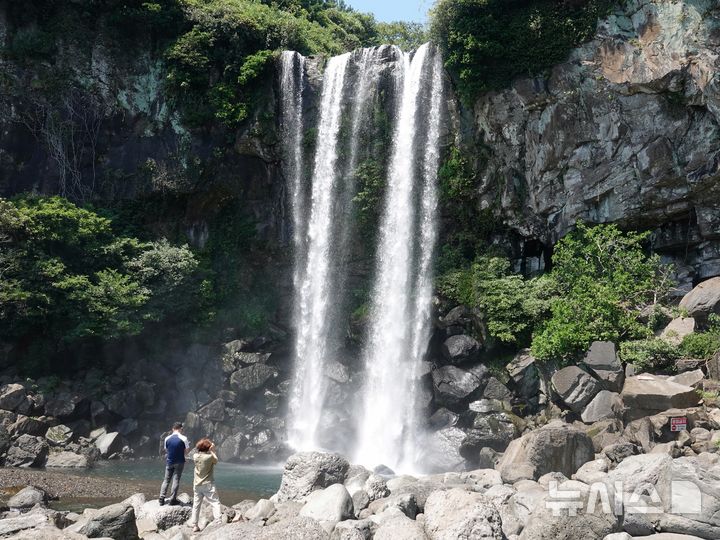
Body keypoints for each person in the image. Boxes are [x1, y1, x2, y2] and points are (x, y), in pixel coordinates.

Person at [189, 438, 221, 532]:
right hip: (208, 484)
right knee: (215, 502)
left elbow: (199, 452)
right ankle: (219, 522)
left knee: (196, 505)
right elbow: (216, 460)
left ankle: (194, 525)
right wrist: (213, 451)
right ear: (208, 448)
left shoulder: (195, 456)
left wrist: (208, 448)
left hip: (197, 484)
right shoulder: (209, 457)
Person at [159, 422, 189, 505]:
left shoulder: (167, 438)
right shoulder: (184, 438)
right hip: (179, 462)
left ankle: (161, 498)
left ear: (173, 429)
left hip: (169, 461)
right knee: (176, 480)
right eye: (182, 429)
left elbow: (166, 449)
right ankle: (172, 500)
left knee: (166, 480)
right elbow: (187, 450)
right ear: (181, 429)